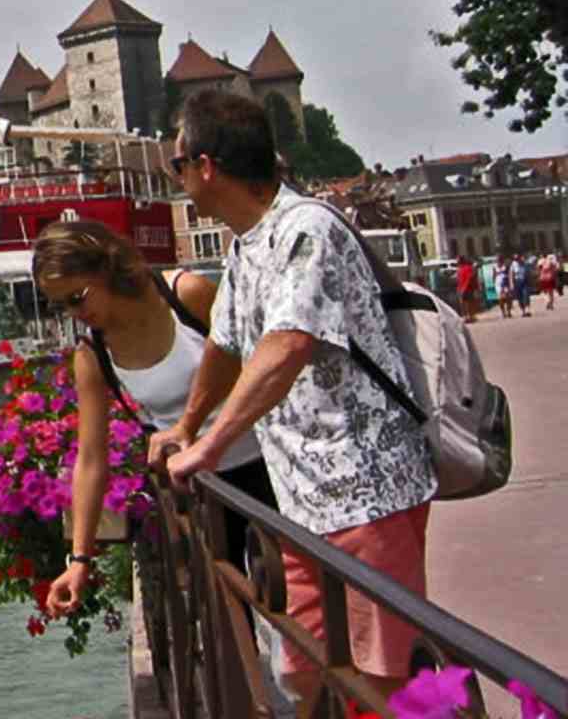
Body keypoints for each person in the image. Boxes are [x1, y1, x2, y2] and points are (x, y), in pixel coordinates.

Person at [150, 90, 436, 701]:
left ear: (206, 166)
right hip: (302, 500)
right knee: (301, 668)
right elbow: (226, 345)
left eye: (177, 164)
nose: (176, 179)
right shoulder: (246, 243)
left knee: (386, 673)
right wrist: (188, 425)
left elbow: (288, 345)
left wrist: (208, 449)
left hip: (367, 485)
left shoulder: (308, 229)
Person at [36, 221, 275, 618]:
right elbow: (92, 458)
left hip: (270, 468)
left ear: (106, 268)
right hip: (202, 495)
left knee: (306, 616)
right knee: (231, 629)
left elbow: (265, 364)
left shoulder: (186, 295)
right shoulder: (92, 353)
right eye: (62, 306)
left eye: (77, 297)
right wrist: (79, 560)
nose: (76, 314)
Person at [455, 257, 478, 323]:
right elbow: (459, 280)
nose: (457, 262)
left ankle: (470, 316)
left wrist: (464, 288)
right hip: (460, 288)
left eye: (458, 261)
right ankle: (466, 317)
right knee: (463, 304)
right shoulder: (459, 269)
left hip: (467, 288)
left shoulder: (468, 268)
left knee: (468, 303)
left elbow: (469, 278)